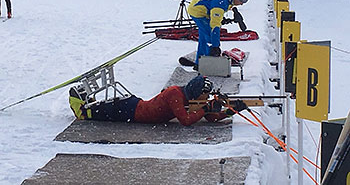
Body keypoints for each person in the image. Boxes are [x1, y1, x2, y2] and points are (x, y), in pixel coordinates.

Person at [68, 75, 247, 126]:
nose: (206, 98)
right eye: (205, 94)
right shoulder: (175, 95)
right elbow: (185, 121)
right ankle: (81, 107)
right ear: (196, 92)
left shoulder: (189, 99)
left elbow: (209, 118)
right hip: (132, 111)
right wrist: (207, 108)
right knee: (91, 114)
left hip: (135, 109)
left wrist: (231, 111)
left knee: (102, 110)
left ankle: (90, 103)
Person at [188, 0, 251, 70]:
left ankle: (199, 64)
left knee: (203, 36)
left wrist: (234, 11)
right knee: (209, 36)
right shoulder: (220, 3)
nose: (241, 4)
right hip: (198, 12)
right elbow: (215, 26)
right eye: (241, 2)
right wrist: (215, 46)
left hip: (207, 7)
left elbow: (226, 2)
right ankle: (208, 66)